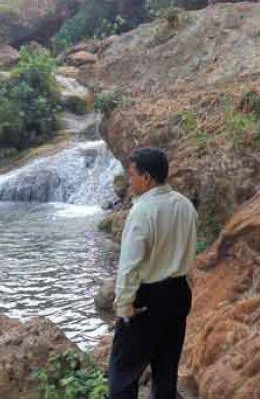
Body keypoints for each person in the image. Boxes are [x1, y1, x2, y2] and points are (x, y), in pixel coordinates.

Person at [108, 147, 198, 399]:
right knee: (165, 371)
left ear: (146, 177)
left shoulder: (142, 211)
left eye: (132, 175)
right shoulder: (184, 205)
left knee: (123, 374)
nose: (129, 181)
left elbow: (130, 266)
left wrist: (124, 305)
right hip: (179, 293)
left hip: (146, 300)